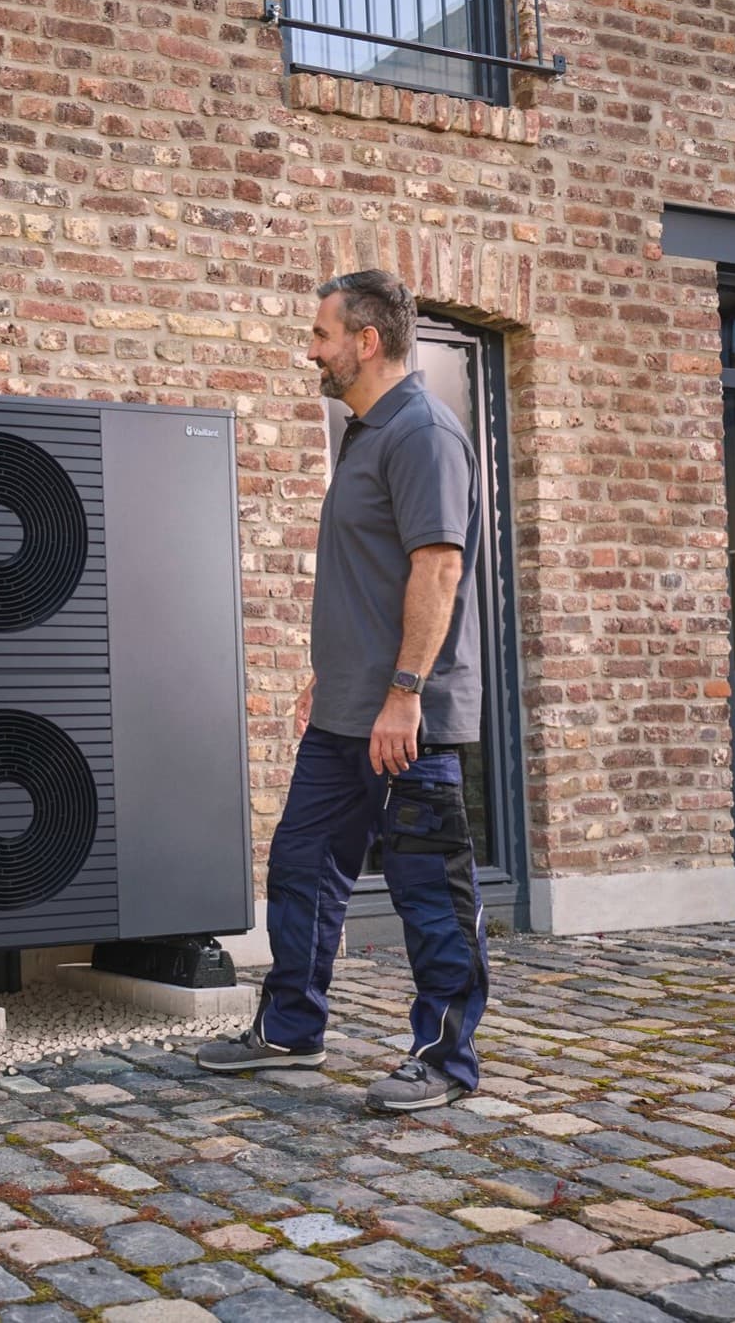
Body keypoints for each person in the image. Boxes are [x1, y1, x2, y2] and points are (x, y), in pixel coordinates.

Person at [197, 269, 489, 1113]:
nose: (311, 351)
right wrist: (332, 674)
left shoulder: (422, 433)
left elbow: (438, 568)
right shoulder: (366, 433)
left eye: (322, 335)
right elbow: (374, 574)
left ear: (367, 340)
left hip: (407, 720)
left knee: (428, 890)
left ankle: (445, 1060)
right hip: (344, 713)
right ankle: (292, 1029)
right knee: (301, 866)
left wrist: (404, 692)